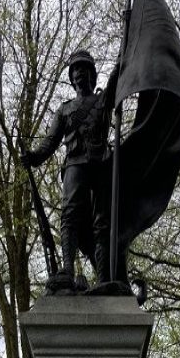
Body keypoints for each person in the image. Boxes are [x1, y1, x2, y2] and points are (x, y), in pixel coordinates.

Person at [21, 49, 118, 291]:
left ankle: (104, 277)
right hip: (74, 164)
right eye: (76, 70)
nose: (79, 73)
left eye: (84, 69)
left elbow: (119, 78)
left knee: (102, 222)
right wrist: (33, 157)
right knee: (69, 216)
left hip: (100, 164)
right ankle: (67, 269)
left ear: (92, 75)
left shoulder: (103, 100)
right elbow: (50, 142)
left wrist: (120, 60)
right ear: (71, 77)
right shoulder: (64, 110)